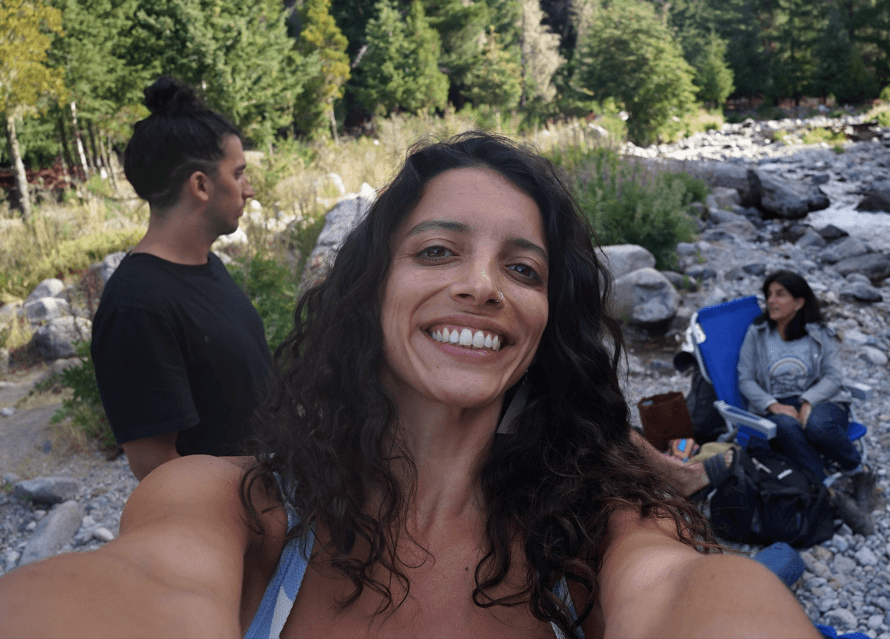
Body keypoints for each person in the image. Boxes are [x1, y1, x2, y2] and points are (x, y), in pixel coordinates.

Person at [0, 133, 819, 638]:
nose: (481, 285)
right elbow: (145, 584)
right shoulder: (227, 508)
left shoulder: (600, 531)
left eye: (522, 268)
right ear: (370, 293)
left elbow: (683, 593)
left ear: (547, 323)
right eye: (435, 251)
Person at [90, 76, 271, 481]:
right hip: (229, 516)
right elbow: (156, 467)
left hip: (274, 503)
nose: (249, 189)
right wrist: (270, 476)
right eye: (238, 174)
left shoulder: (210, 266)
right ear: (201, 185)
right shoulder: (137, 305)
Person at [738, 270, 864, 483]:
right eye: (769, 294)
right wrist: (772, 405)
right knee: (788, 427)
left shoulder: (819, 332)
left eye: (780, 294)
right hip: (776, 403)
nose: (771, 300)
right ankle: (821, 487)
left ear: (798, 302)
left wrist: (808, 401)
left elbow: (834, 376)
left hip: (822, 399)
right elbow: (745, 379)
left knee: (818, 426)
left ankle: (855, 469)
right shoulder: (756, 333)